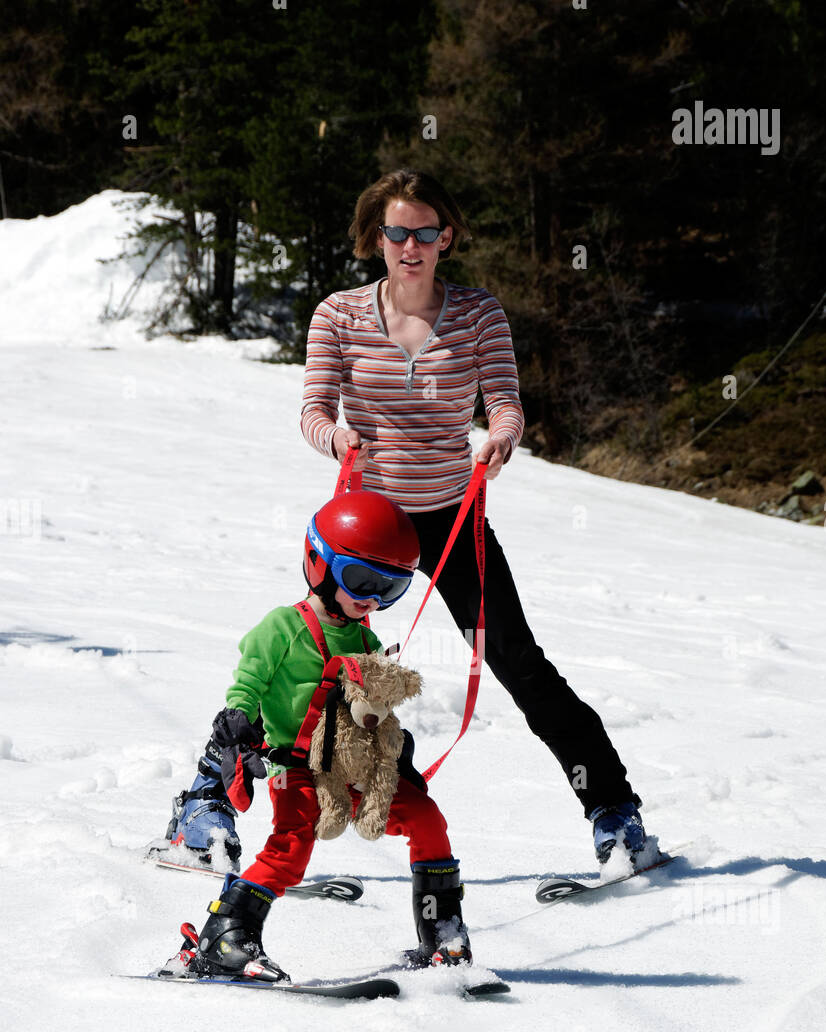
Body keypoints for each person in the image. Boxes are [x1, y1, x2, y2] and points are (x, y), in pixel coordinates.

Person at [156, 167, 646, 873]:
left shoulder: (478, 314)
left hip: (451, 523)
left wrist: (500, 438)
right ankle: (204, 805)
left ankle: (611, 809)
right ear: (375, 238)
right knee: (298, 665)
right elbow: (313, 410)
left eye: (423, 232)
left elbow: (505, 401)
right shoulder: (338, 314)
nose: (409, 245)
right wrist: (337, 440)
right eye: (396, 232)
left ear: (445, 237)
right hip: (367, 526)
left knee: (517, 662)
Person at [162, 491, 472, 982]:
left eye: (389, 589)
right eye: (362, 580)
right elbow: (247, 684)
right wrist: (237, 719)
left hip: (356, 768)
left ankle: (442, 936)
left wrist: (396, 750)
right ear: (318, 563)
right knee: (289, 851)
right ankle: (226, 938)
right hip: (297, 767)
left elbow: (372, 711)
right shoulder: (282, 627)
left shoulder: (368, 640)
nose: (372, 598)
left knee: (428, 819)